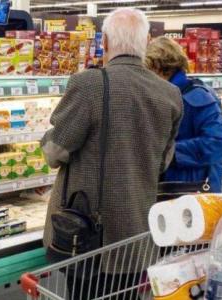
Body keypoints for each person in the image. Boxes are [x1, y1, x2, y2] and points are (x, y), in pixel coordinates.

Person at [41, 8, 183, 299]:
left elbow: (54, 152)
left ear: (104, 41)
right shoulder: (170, 94)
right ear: (146, 41)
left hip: (88, 237)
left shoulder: (89, 84)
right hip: (137, 235)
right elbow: (164, 162)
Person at [145, 36, 222, 195]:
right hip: (175, 187)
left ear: (161, 68)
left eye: (149, 70)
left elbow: (219, 143)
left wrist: (171, 153)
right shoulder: (167, 94)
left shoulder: (196, 97)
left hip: (194, 189)